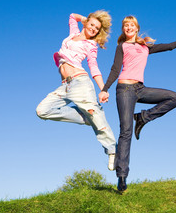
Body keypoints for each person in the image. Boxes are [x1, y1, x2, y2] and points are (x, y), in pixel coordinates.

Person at [98, 16, 176, 191]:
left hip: (140, 89)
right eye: (126, 26)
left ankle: (143, 117)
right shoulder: (121, 46)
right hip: (124, 89)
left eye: (131, 25)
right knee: (126, 132)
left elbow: (167, 47)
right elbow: (115, 69)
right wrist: (105, 88)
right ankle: (122, 177)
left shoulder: (145, 46)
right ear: (124, 30)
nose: (129, 27)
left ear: (137, 28)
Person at [36, 11, 117, 171]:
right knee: (42, 111)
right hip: (65, 85)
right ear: (86, 23)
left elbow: (94, 67)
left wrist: (104, 89)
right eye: (92, 25)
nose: (93, 29)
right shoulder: (73, 33)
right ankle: (86, 117)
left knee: (96, 115)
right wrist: (86, 19)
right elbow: (72, 16)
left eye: (97, 28)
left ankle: (112, 150)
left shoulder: (91, 45)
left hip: (80, 83)